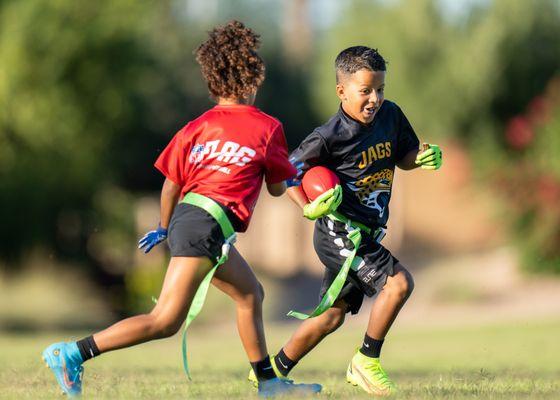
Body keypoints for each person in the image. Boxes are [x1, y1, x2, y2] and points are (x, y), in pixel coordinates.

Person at [41, 20, 321, 398]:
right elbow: (274, 189)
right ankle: (73, 353)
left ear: (212, 80)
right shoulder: (267, 127)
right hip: (205, 227)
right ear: (254, 78)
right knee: (165, 321)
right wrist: (293, 172)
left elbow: (172, 183)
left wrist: (165, 225)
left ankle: (269, 384)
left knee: (250, 294)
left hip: (192, 221)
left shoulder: (197, 126)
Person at [248, 45, 443, 396]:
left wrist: (422, 157)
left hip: (366, 232)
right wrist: (307, 206)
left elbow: (404, 156)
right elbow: (286, 173)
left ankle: (271, 371)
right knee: (398, 284)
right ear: (342, 91)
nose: (375, 99)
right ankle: (365, 361)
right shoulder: (329, 136)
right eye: (365, 91)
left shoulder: (391, 116)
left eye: (380, 89)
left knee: (330, 316)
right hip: (341, 232)